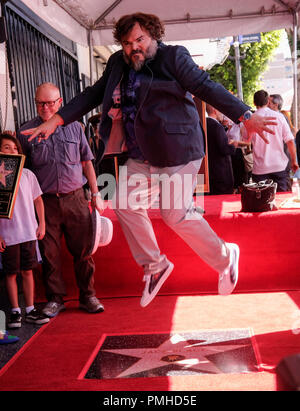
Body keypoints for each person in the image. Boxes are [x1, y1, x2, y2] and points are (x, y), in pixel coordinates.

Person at [21, 13, 278, 308]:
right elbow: (92, 93)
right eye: (128, 43)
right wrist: (56, 120)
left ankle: (225, 256)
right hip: (141, 153)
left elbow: (206, 86)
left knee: (174, 214)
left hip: (179, 150)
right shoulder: (118, 62)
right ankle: (154, 265)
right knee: (125, 202)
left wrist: (245, 115)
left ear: (154, 35)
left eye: (140, 40)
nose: (134, 48)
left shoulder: (174, 58)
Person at [17, 83, 105, 317]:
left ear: (60, 102)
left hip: (76, 198)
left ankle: (88, 296)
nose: (45, 107)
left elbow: (87, 162)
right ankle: (55, 299)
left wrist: (96, 194)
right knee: (49, 254)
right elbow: (22, 172)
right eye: (40, 103)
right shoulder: (26, 132)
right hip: (45, 203)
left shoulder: (75, 128)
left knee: (84, 251)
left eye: (49, 102)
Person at [0, 133, 49, 328]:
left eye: (14, 148)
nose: (11, 151)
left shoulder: (28, 175)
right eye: (6, 148)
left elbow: (38, 200)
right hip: (8, 235)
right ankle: (15, 311)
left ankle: (30, 309)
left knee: (28, 271)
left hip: (28, 232)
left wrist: (42, 223)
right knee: (11, 273)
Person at [249, 90, 298, 190]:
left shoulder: (250, 119)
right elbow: (290, 141)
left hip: (260, 169)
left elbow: (246, 140)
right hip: (279, 166)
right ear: (267, 102)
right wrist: (293, 161)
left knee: (262, 202)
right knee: (282, 200)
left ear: (254, 103)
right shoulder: (279, 117)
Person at [205, 104, 236, 194]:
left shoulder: (204, 124)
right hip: (221, 171)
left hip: (210, 169)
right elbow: (224, 149)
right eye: (221, 111)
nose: (222, 114)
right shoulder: (217, 127)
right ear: (215, 110)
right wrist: (233, 145)